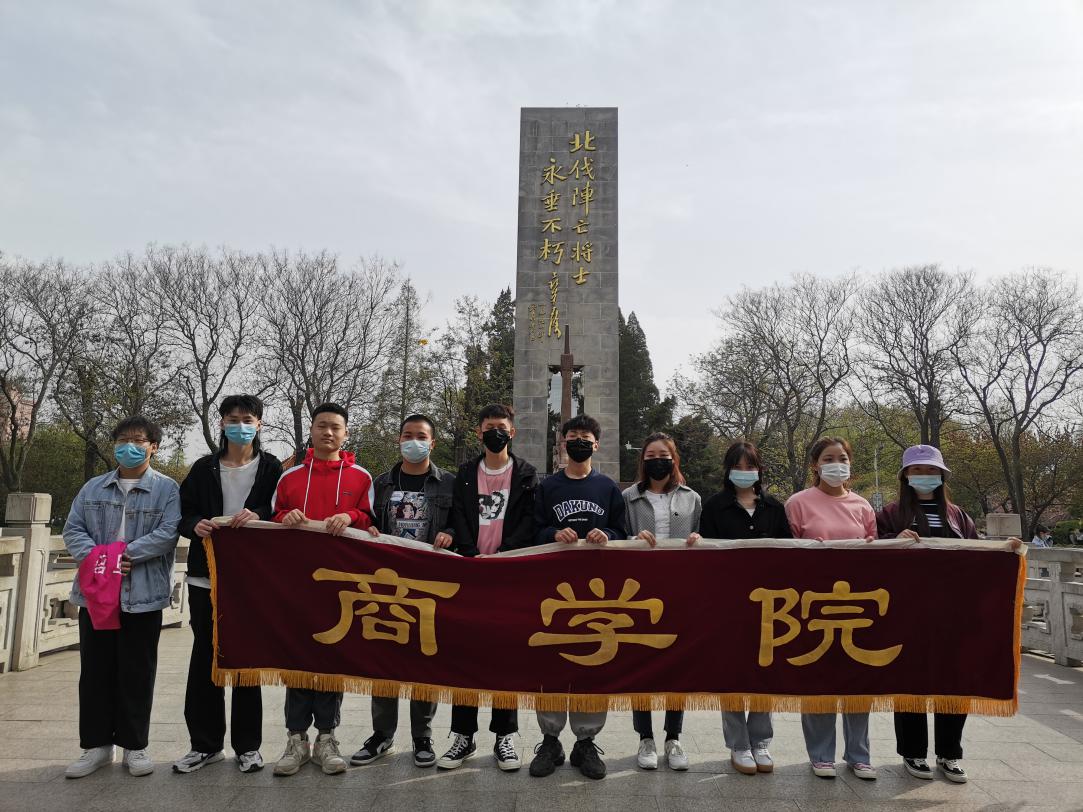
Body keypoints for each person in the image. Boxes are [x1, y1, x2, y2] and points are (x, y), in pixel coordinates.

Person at [62, 416, 181, 779]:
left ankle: (135, 745)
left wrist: (125, 555)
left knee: (137, 671)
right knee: (95, 670)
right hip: (96, 592)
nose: (130, 446)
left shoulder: (167, 489)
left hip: (142, 594)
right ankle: (96, 746)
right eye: (122, 440)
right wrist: (102, 559)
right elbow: (73, 528)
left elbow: (169, 532)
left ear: (153, 447)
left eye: (138, 440)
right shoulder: (93, 487)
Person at [173, 395, 282, 775]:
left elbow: (281, 510)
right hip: (206, 576)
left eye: (247, 419)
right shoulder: (204, 468)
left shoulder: (271, 468)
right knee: (205, 656)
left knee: (246, 658)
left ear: (259, 424)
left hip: (252, 579)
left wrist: (260, 513)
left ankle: (248, 746)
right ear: (221, 423)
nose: (240, 425)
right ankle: (204, 745)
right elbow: (183, 514)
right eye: (232, 419)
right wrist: (195, 525)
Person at [271, 402, 376, 777]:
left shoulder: (361, 477)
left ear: (345, 433)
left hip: (340, 586)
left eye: (335, 427)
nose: (328, 432)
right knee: (297, 659)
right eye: (321, 426)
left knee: (332, 660)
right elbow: (272, 517)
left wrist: (350, 515)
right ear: (311, 431)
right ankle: (296, 739)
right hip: (296, 583)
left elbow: (369, 520)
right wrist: (286, 516)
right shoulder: (289, 477)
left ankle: (327, 738)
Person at [437, 403, 538, 772]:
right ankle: (462, 734)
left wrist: (505, 555)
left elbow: (529, 519)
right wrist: (469, 553)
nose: (495, 432)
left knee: (505, 657)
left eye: (501, 426)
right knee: (465, 656)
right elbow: (458, 516)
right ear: (478, 433)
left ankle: (505, 735)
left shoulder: (526, 474)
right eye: (488, 426)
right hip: (471, 573)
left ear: (512, 432)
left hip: (507, 575)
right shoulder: (465, 473)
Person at [351, 414, 454, 770]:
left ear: (432, 442)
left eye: (421, 436)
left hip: (428, 584)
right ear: (399, 440)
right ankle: (382, 734)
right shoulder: (381, 483)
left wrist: (451, 533)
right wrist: (369, 529)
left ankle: (422, 736)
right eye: (407, 435)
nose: (414, 442)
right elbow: (365, 519)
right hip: (387, 584)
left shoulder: (448, 484)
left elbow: (460, 522)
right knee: (384, 659)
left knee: (425, 660)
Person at [529, 414, 626, 781]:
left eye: (586, 436)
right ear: (562, 442)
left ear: (596, 444)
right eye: (572, 436)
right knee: (551, 662)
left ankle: (586, 742)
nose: (579, 441)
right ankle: (549, 740)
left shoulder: (608, 487)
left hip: (596, 590)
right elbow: (534, 530)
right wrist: (553, 533)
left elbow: (622, 531)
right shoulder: (548, 487)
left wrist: (608, 535)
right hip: (554, 589)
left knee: (593, 662)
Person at [876, 444, 977, 784]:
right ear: (905, 475)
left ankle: (950, 753)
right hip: (906, 610)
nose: (924, 476)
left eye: (931, 470)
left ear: (942, 475)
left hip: (952, 612)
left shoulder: (958, 516)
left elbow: (977, 554)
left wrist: (1006, 550)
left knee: (954, 681)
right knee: (910, 680)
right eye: (917, 470)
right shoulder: (891, 513)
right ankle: (913, 751)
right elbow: (871, 552)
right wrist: (894, 539)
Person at [784, 437, 878, 782]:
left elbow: (878, 552)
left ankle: (859, 755)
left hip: (856, 602)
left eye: (842, 458)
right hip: (814, 603)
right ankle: (821, 754)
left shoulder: (863, 506)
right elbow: (785, 552)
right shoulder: (797, 504)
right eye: (828, 458)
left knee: (858, 679)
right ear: (815, 465)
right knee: (819, 677)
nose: (836, 464)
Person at [698, 440, 791, 777]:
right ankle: (738, 743)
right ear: (728, 470)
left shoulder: (775, 507)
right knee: (733, 672)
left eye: (750, 466)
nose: (744, 472)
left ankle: (761, 740)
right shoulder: (714, 507)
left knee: (766, 670)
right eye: (737, 467)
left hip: (770, 606)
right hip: (729, 604)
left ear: (759, 470)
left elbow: (791, 553)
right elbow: (706, 555)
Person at [621, 432, 701, 772]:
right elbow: (618, 537)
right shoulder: (628, 498)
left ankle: (673, 736)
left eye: (663, 455)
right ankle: (645, 737)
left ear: (673, 459)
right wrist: (632, 538)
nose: (657, 460)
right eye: (651, 455)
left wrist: (698, 538)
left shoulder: (692, 498)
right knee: (641, 663)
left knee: (677, 664)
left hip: (680, 589)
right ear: (643, 460)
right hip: (639, 590)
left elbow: (704, 536)